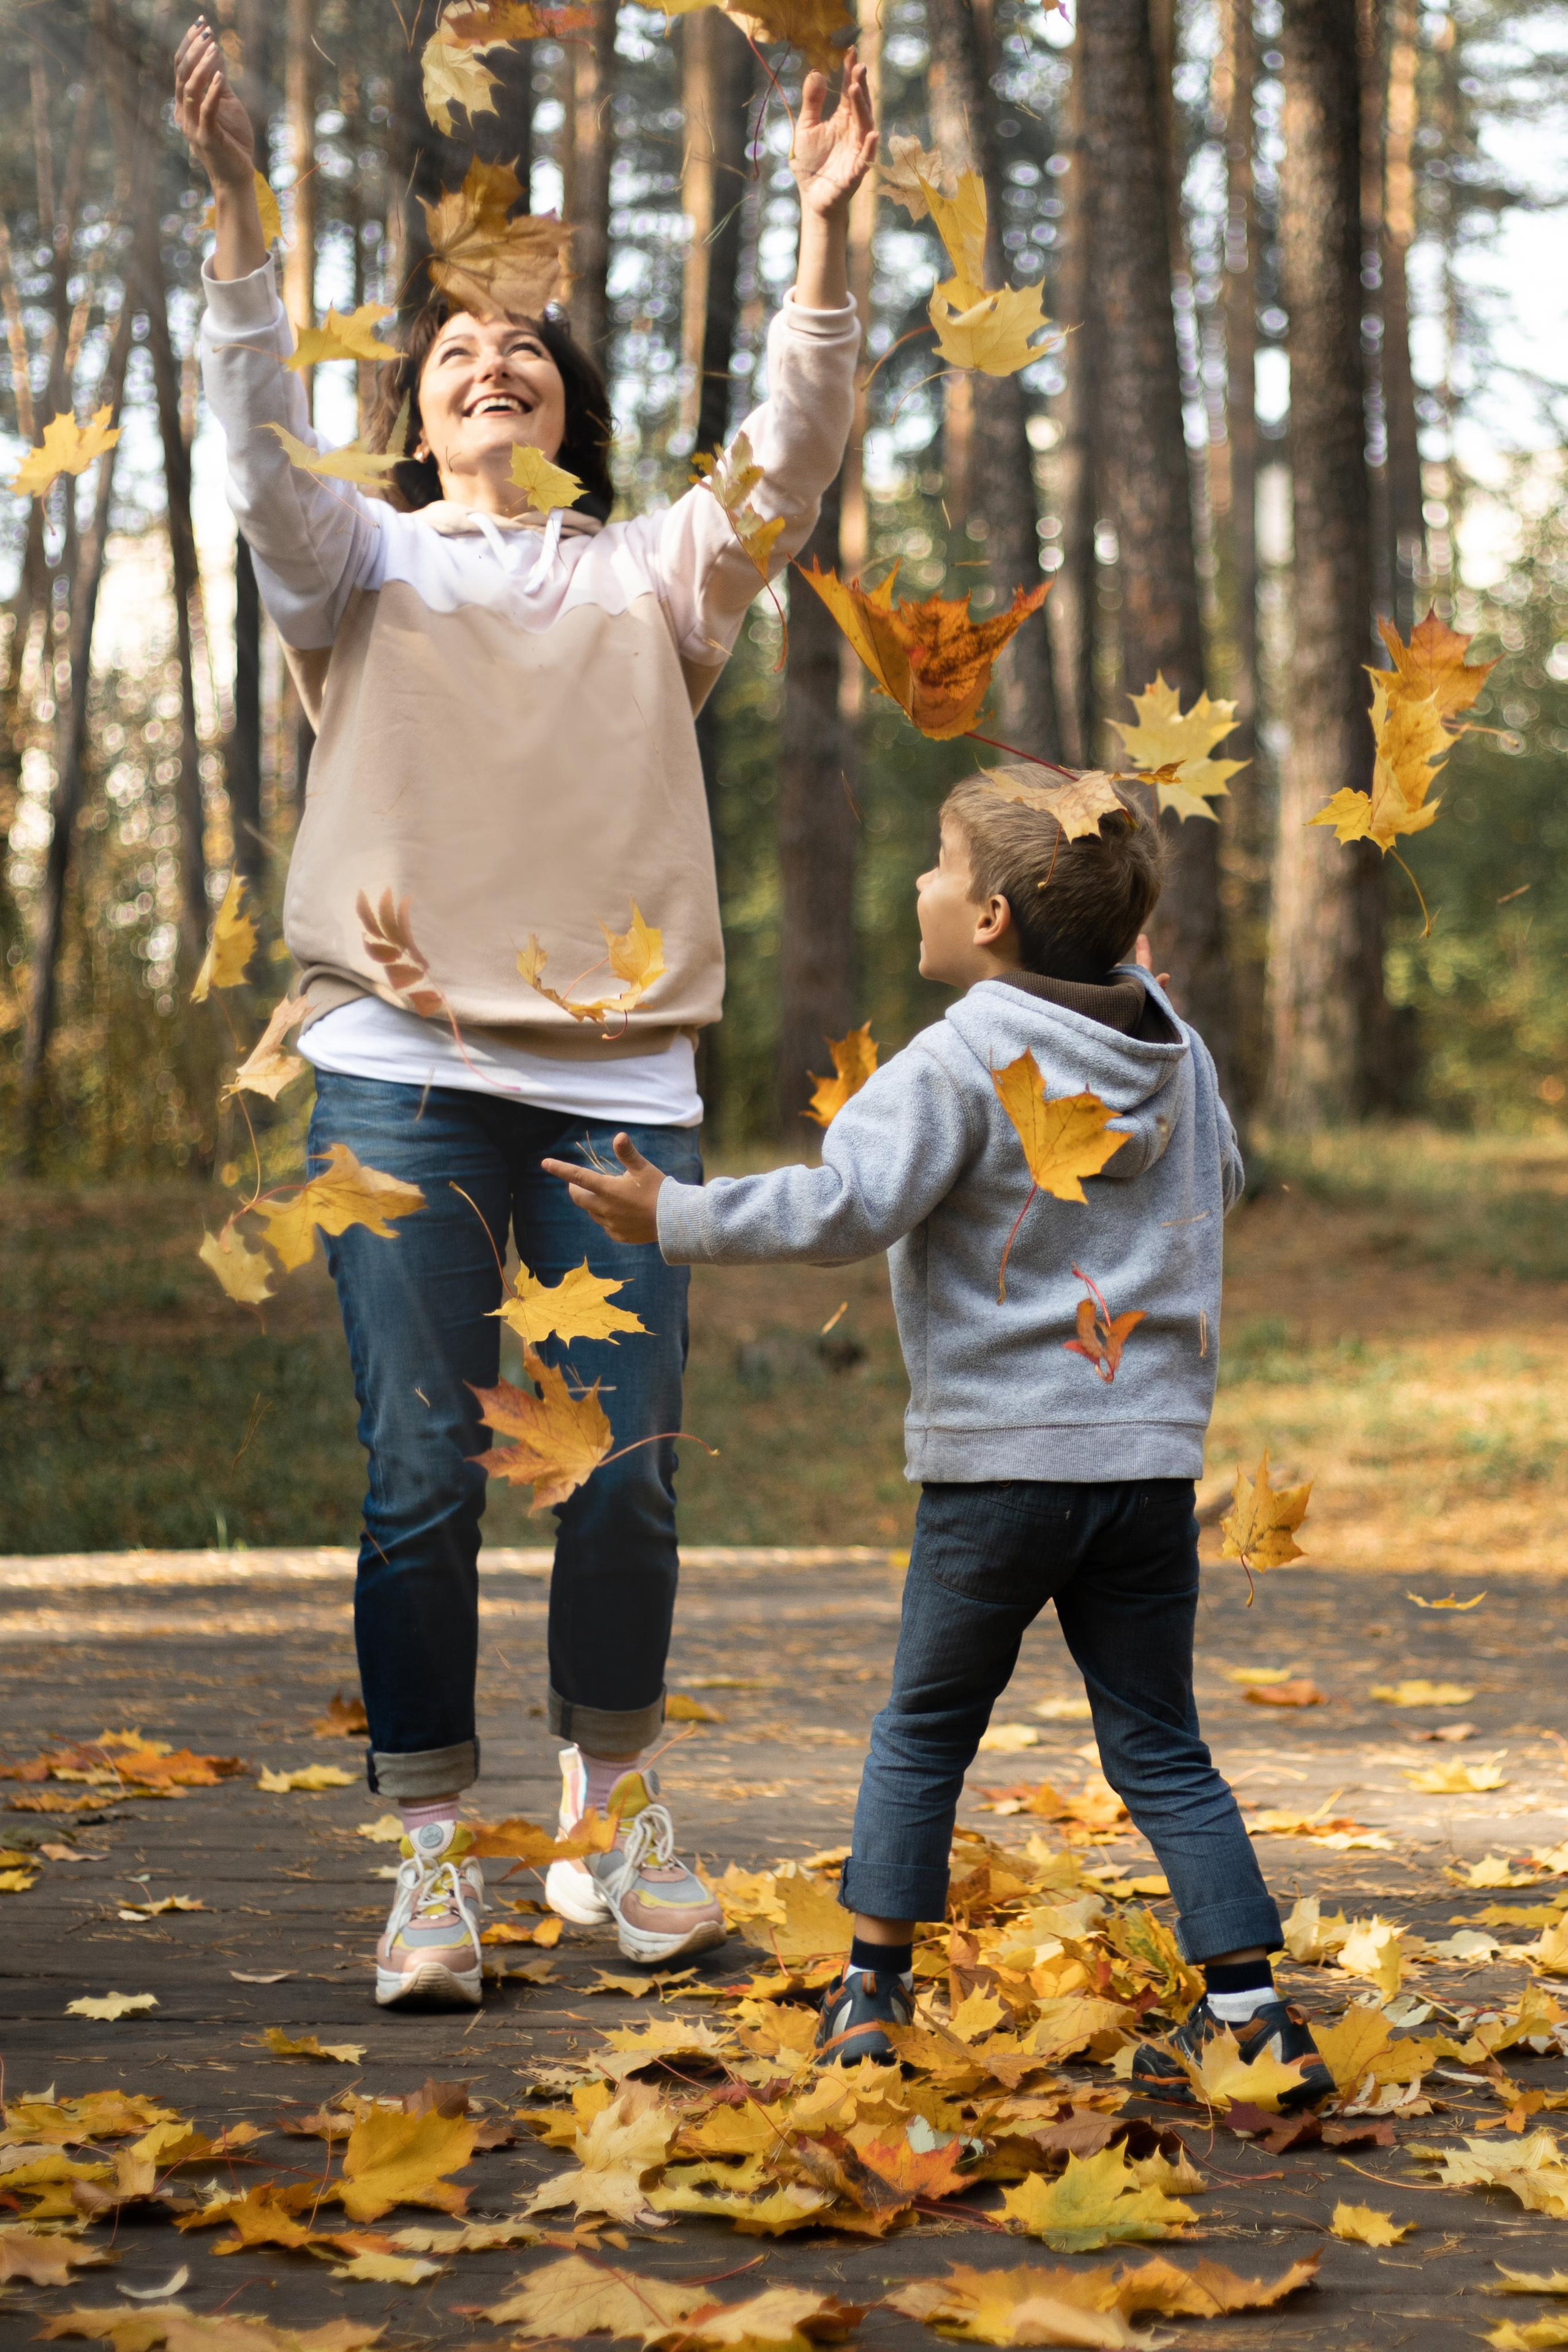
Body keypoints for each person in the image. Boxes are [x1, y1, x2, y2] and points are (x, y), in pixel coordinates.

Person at [173, 17, 878, 2008]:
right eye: (456, 352)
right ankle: (425, 1862)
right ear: (419, 412)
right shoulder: (359, 565)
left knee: (621, 1469)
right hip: (399, 1084)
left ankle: (606, 1817)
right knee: (418, 1476)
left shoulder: (653, 576)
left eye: (530, 350)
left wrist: (823, 241)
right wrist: (239, 208)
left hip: (621, 1088)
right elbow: (249, 434)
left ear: (569, 403)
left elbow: (794, 452)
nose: (495, 359)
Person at [547, 775, 1335, 2108]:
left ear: (987, 917)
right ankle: (1255, 2016)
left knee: (921, 1731)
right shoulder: (1177, 1052)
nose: (917, 883)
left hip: (995, 1470)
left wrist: (670, 1217)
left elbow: (844, 1206)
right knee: (1158, 1743)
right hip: (1143, 1469)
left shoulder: (968, 1050)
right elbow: (1228, 1179)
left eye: (934, 861)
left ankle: (866, 1999)